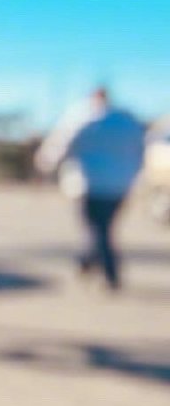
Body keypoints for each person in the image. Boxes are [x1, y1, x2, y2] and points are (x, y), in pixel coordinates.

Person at [35, 86, 145, 290]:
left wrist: (45, 164)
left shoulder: (83, 117)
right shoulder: (126, 121)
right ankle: (86, 262)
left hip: (90, 184)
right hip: (119, 185)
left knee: (98, 230)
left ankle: (108, 272)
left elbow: (61, 143)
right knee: (101, 229)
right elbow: (140, 149)